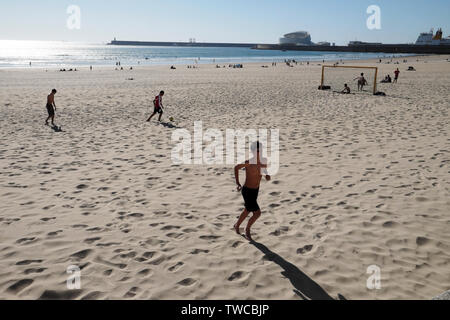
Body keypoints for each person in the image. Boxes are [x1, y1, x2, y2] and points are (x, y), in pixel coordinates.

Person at [233, 141, 271, 241]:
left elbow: (264, 172)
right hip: (247, 191)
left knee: (247, 210)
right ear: (252, 151)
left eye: (260, 150)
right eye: (257, 151)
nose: (259, 152)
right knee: (257, 213)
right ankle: (247, 229)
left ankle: (237, 225)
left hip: (255, 190)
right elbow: (236, 168)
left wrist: (267, 176)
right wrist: (237, 183)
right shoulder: (249, 162)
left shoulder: (264, 161)